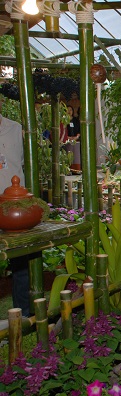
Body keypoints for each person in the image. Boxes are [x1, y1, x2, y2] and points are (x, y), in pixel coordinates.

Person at [0, 105, 30, 317]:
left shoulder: (15, 129)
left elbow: (21, 164)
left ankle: (24, 313)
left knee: (21, 263)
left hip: (16, 207)